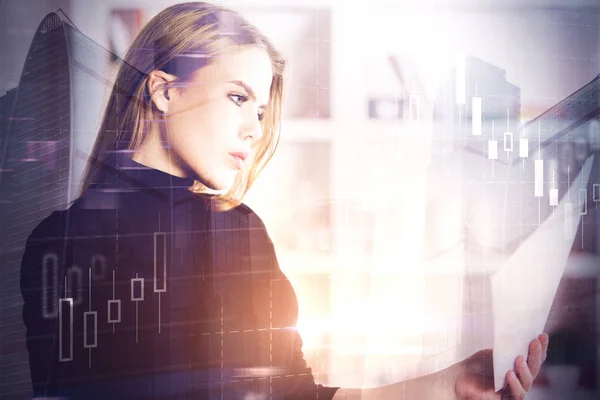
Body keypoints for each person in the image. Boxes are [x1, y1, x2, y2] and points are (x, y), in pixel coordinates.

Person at [20, 2, 548, 399]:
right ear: (163, 91)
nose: (255, 127)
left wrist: (452, 383)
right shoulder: (80, 240)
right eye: (238, 96)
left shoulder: (233, 229)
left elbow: (298, 395)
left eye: (262, 108)